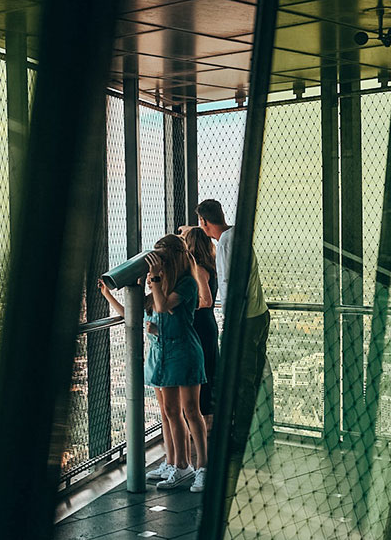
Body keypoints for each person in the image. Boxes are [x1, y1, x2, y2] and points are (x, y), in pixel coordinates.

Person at [100, 235, 209, 493]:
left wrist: (155, 279)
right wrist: (109, 295)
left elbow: (161, 307)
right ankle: (177, 464)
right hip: (160, 355)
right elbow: (134, 313)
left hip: (182, 352)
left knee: (191, 411)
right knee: (169, 413)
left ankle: (202, 467)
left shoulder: (186, 284)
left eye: (161, 257)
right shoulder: (162, 284)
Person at [193, 199, 271, 478]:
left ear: (204, 222)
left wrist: (229, 323)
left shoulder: (225, 243)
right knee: (252, 378)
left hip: (243, 321)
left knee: (240, 381)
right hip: (259, 314)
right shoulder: (238, 235)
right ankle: (257, 432)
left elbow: (227, 284)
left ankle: (241, 439)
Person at [181, 227, 219, 424]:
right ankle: (206, 422)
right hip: (207, 325)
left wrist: (184, 306)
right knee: (208, 371)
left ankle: (203, 423)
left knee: (201, 373)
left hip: (200, 326)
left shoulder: (198, 269)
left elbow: (206, 300)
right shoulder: (209, 265)